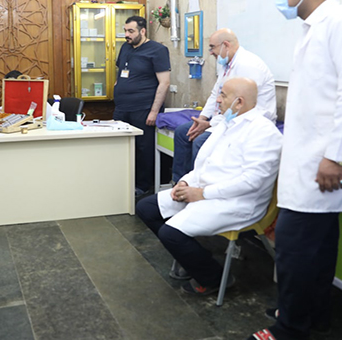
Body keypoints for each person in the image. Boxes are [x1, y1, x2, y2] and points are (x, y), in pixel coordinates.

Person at [246, 0, 342, 340]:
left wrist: (336, 156)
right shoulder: (314, 28)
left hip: (325, 160)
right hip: (310, 158)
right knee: (319, 246)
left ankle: (289, 328)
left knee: (294, 247)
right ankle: (314, 315)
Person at [136, 77, 282, 295]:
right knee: (146, 208)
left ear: (239, 102)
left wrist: (202, 193)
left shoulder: (263, 132)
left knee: (171, 233)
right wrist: (185, 182)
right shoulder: (227, 124)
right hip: (205, 192)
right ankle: (195, 257)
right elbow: (204, 165)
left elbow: (252, 182)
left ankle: (214, 278)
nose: (218, 100)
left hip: (237, 203)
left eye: (223, 95)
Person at [172, 29, 276, 182]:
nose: (210, 52)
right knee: (183, 132)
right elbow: (216, 94)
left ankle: (198, 185)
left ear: (225, 45)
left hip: (244, 121)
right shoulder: (226, 64)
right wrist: (202, 119)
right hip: (226, 118)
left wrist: (209, 124)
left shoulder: (248, 65)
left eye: (212, 47)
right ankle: (180, 183)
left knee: (201, 141)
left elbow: (240, 106)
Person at [113, 15, 171, 197]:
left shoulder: (158, 50)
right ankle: (122, 181)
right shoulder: (125, 47)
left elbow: (164, 83)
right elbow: (121, 72)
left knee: (143, 148)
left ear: (143, 31)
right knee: (120, 146)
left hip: (144, 108)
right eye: (125, 31)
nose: (127, 35)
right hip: (122, 108)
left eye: (131, 31)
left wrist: (154, 112)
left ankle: (143, 186)